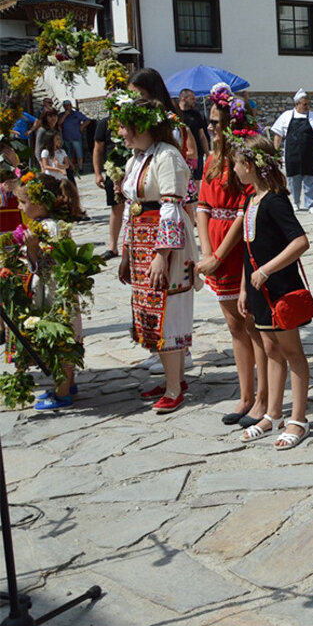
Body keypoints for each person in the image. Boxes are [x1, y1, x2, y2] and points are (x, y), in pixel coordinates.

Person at [110, 93, 197, 413]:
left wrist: (162, 254)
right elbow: (134, 208)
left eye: (125, 127)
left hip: (166, 247)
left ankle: (174, 387)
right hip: (143, 241)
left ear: (141, 126)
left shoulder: (167, 157)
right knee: (151, 312)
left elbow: (172, 208)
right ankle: (173, 379)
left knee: (168, 310)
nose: (120, 133)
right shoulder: (137, 158)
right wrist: (127, 253)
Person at [232, 133, 313, 450]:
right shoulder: (250, 200)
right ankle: (273, 414)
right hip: (257, 292)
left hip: (280, 289)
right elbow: (247, 250)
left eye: (237, 164)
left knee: (292, 351)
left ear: (251, 165)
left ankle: (299, 418)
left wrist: (268, 270)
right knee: (269, 349)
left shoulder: (275, 200)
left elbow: (300, 241)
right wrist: (243, 287)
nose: (235, 171)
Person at [194, 84, 267, 429]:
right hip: (217, 251)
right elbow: (203, 206)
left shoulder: (243, 161)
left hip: (238, 249)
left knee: (252, 325)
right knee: (235, 327)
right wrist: (207, 251)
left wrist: (221, 254)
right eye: (210, 121)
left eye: (218, 122)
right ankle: (245, 393)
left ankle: (264, 395)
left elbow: (243, 211)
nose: (211, 128)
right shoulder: (211, 159)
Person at [17, 172, 85, 410]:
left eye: (23, 202)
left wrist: (32, 248)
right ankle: (69, 383)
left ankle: (62, 392)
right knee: (64, 341)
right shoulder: (47, 225)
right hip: (54, 292)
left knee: (61, 342)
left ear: (39, 203)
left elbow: (47, 264)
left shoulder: (50, 229)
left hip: (57, 294)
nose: (20, 207)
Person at [272, 89, 313, 214]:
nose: (307, 106)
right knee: (293, 179)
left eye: (308, 104)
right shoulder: (286, 116)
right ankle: (295, 202)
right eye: (304, 104)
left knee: (310, 178)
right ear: (297, 104)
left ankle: (311, 204)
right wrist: (275, 153)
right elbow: (278, 135)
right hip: (292, 154)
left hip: (309, 154)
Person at [93, 115, 127, 260]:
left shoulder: (132, 118)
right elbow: (98, 149)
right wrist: (97, 173)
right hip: (114, 170)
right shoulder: (104, 123)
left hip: (133, 166)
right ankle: (112, 246)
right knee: (116, 207)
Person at [178, 89, 211, 190]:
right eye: (192, 99)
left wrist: (207, 152)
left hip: (198, 153)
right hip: (182, 153)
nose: (194, 101)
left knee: (197, 179)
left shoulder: (196, 115)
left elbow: (202, 135)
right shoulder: (176, 114)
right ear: (183, 99)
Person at [58, 100, 90, 173]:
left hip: (76, 136)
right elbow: (59, 123)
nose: (67, 107)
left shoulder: (77, 114)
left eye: (68, 105)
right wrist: (65, 115)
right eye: (65, 106)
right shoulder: (61, 115)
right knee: (68, 154)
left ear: (71, 105)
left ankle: (80, 167)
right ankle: (71, 168)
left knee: (79, 153)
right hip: (66, 137)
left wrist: (82, 126)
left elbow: (87, 120)